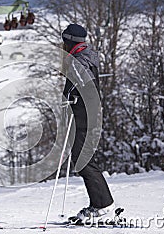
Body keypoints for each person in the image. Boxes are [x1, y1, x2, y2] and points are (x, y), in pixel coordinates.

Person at [61, 23, 115, 223]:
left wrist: (71, 95)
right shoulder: (82, 58)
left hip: (85, 117)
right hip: (84, 116)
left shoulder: (80, 61)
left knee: (84, 161)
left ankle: (103, 205)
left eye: (64, 41)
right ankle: (99, 204)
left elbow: (86, 85)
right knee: (82, 160)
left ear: (70, 42)